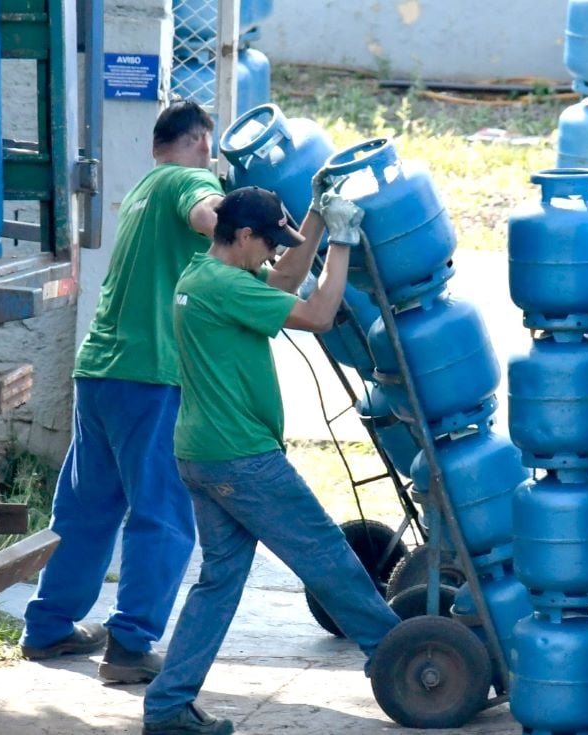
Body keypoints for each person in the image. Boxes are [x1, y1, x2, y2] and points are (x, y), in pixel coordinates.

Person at [141, 186, 402, 735]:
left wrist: (314, 216)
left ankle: (167, 708)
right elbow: (319, 314)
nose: (274, 253)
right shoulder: (226, 286)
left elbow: (283, 281)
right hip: (241, 459)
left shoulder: (204, 274)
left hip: (202, 454)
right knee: (325, 555)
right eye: (269, 243)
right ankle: (400, 658)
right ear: (242, 236)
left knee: (218, 583)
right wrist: (342, 240)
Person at [20, 101, 225, 683]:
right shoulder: (190, 180)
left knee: (87, 508)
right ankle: (130, 646)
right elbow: (207, 214)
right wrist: (240, 219)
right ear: (201, 142)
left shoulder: (142, 189)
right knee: (162, 511)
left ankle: (49, 626)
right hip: (150, 374)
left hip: (100, 370)